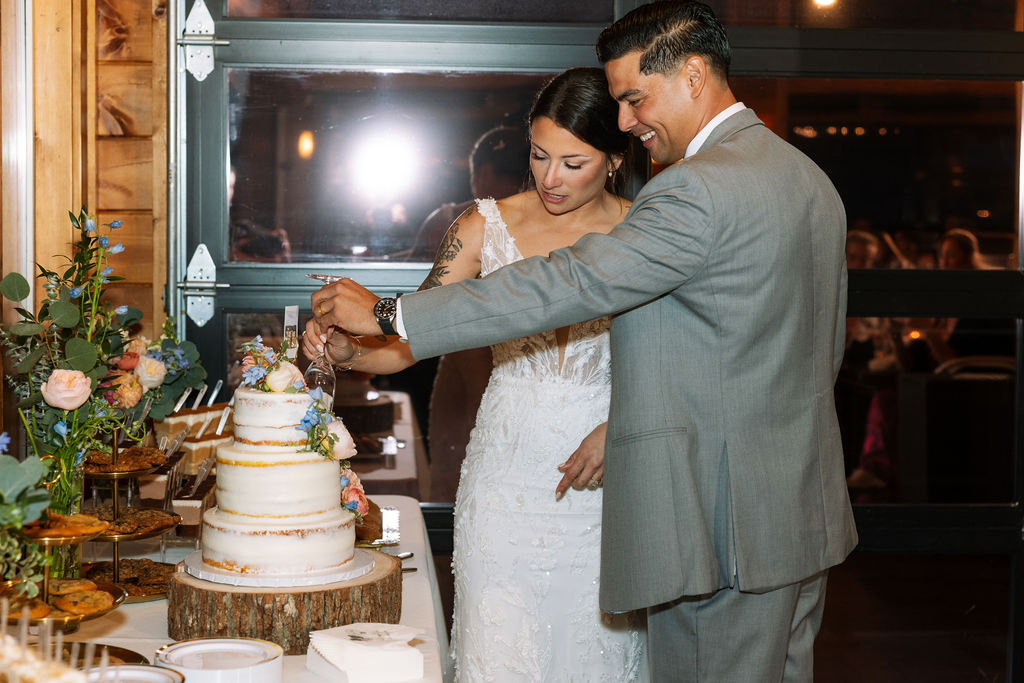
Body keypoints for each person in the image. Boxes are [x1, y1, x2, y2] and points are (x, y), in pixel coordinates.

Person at [310, 2, 858, 679]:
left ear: (692, 74)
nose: (626, 118)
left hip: (720, 531)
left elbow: (566, 284)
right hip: (800, 523)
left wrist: (393, 312)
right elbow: (817, 356)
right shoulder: (809, 180)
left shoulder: (693, 191)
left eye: (634, 98)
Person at [304, 67, 646, 681]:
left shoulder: (647, 231)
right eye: (540, 156)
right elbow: (408, 346)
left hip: (607, 475)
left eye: (574, 162)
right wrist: (348, 352)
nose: (550, 178)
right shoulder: (480, 227)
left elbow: (675, 360)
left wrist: (623, 425)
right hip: (505, 478)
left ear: (616, 158)